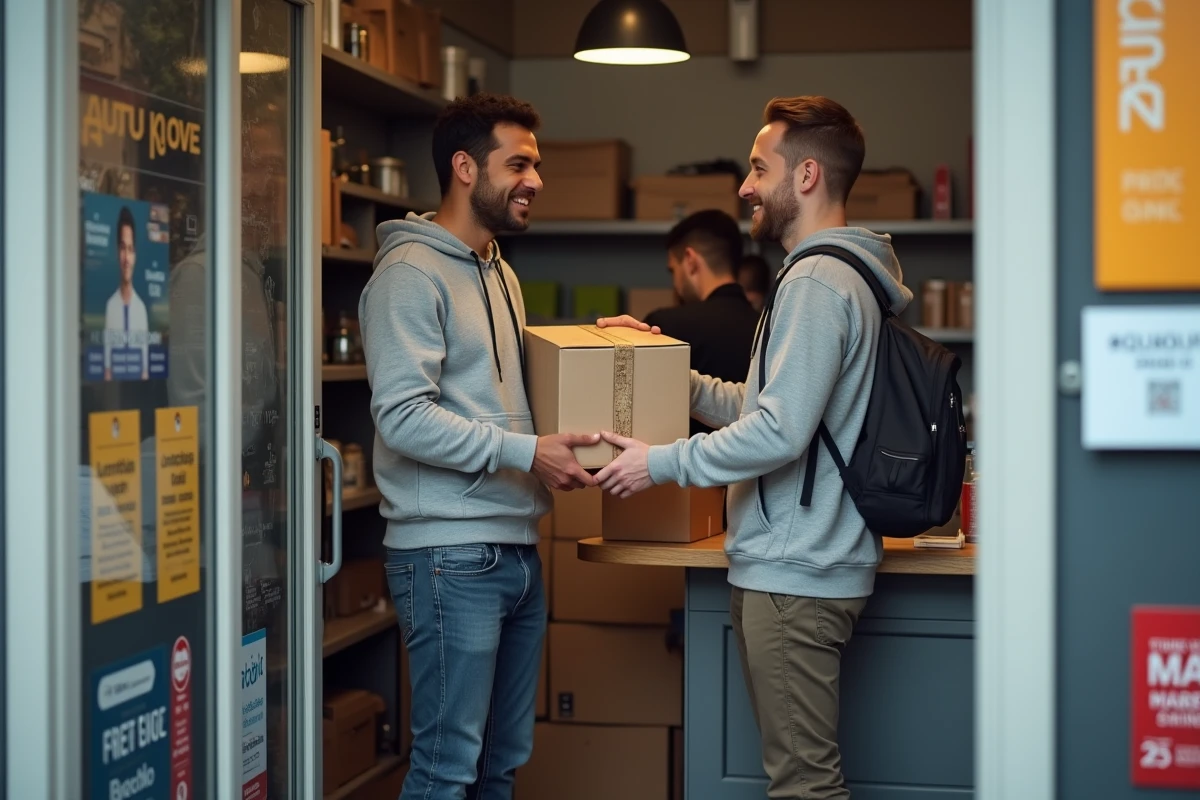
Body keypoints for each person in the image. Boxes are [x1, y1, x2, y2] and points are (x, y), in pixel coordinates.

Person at [594, 95, 913, 799]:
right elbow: (764, 407)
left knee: (804, 787)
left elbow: (779, 432)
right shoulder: (828, 275)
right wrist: (663, 365)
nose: (744, 187)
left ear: (807, 176)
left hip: (796, 573)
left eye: (759, 168)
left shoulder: (818, 281)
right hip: (798, 566)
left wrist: (659, 463)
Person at [359, 93, 598, 800]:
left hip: (514, 549)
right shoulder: (408, 275)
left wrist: (597, 339)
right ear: (465, 168)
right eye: (518, 164)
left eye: (536, 165)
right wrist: (527, 454)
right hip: (448, 555)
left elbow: (500, 386)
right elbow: (403, 417)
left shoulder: (498, 269)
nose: (536, 180)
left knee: (500, 765)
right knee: (446, 770)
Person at [643, 209, 760, 436]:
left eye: (673, 270)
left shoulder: (663, 327)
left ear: (690, 260)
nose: (675, 283)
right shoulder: (769, 328)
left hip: (675, 458)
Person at [104, 206, 150, 380]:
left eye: (130, 249)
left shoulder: (141, 309)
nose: (126, 258)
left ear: (135, 255)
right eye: (123, 248)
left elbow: (145, 372)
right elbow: (107, 371)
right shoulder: (110, 306)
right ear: (117, 252)